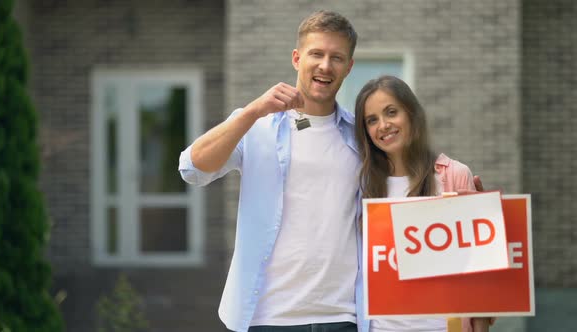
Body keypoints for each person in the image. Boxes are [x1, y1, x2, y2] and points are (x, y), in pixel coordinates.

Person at [179, 10, 364, 332]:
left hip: (344, 315)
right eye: (316, 54)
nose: (325, 65)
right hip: (268, 318)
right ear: (296, 58)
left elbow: (408, 182)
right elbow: (192, 170)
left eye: (337, 57)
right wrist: (251, 112)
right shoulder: (256, 126)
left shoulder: (362, 136)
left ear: (349, 67)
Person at [354, 75, 494, 332]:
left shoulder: (453, 175)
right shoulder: (362, 185)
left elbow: (480, 270)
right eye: (372, 120)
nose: (383, 125)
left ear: (411, 114)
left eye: (391, 112)